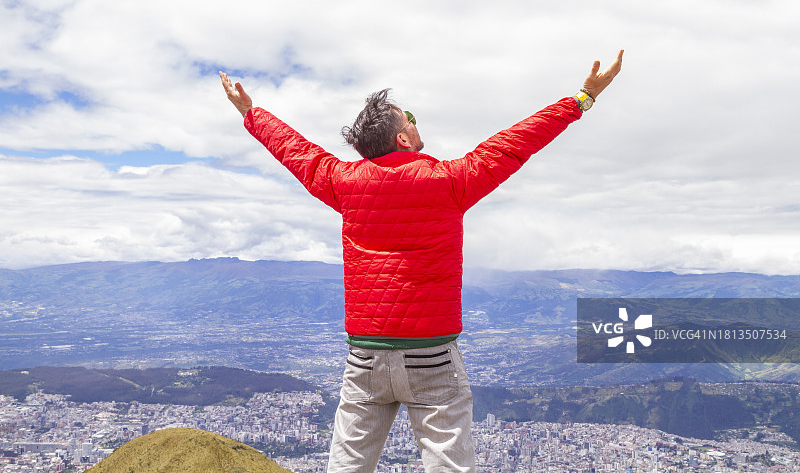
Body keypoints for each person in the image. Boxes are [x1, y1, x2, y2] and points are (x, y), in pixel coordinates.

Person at [220, 50, 623, 472]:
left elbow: (295, 151)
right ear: (403, 139)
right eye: (409, 116)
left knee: (347, 466)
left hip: (365, 357)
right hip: (433, 357)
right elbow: (515, 142)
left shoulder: (343, 183)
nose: (414, 120)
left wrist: (251, 113)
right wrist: (582, 99)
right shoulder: (450, 182)